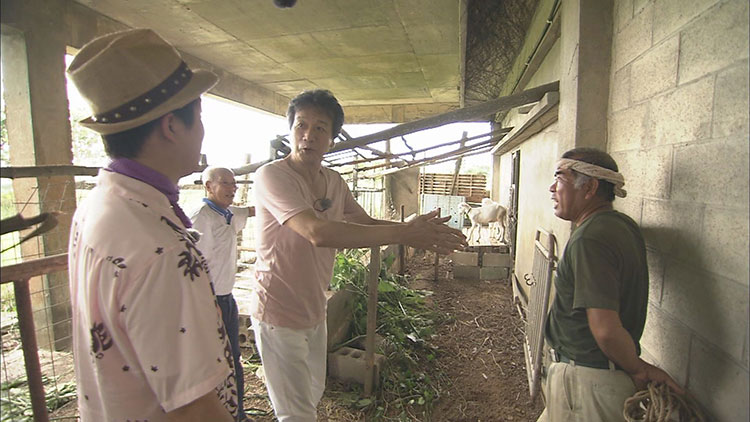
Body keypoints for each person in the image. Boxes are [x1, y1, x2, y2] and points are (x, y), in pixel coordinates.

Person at [250, 89, 467, 421]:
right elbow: (317, 232)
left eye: (320, 128)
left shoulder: (333, 181)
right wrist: (405, 233)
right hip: (278, 311)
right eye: (301, 125)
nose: (308, 135)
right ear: (290, 130)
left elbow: (365, 222)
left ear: (332, 139)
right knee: (295, 414)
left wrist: (415, 230)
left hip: (314, 308)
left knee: (313, 393)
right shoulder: (273, 176)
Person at [66, 29, 237, 422]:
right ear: (171, 126)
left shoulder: (96, 206)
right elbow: (195, 408)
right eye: (199, 117)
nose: (202, 131)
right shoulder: (163, 249)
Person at [538, 147, 683, 422]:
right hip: (596, 378)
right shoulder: (622, 226)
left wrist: (638, 369)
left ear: (590, 187)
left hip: (585, 383)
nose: (552, 188)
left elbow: (605, 329)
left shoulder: (590, 239)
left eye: (560, 178)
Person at [190, 166, 254, 422]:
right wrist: (206, 300)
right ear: (208, 186)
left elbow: (253, 210)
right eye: (226, 183)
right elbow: (193, 265)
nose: (233, 188)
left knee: (232, 358)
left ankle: (236, 413)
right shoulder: (201, 217)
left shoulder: (227, 213)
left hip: (226, 297)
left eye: (234, 183)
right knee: (212, 361)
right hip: (209, 300)